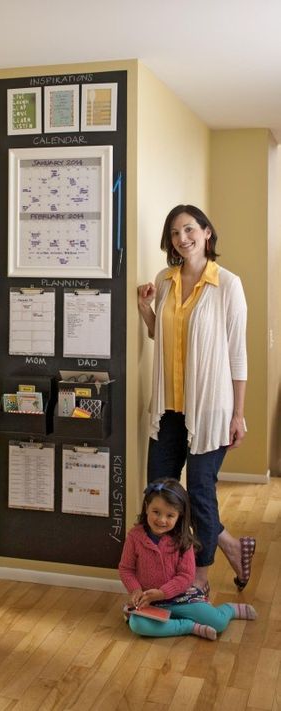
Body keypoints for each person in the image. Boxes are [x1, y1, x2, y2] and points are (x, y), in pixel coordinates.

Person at [137, 205, 255, 594]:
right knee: (161, 489)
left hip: (211, 409)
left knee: (201, 491)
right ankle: (224, 546)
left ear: (206, 232)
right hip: (169, 408)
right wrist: (146, 312)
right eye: (174, 233)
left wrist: (238, 413)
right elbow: (164, 339)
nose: (181, 238)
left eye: (189, 229)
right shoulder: (164, 280)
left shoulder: (228, 285)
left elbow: (237, 353)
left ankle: (200, 578)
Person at [119, 479, 257, 640]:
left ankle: (230, 609)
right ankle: (189, 626)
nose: (162, 520)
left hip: (181, 597)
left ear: (179, 516)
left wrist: (163, 593)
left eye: (170, 515)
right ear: (146, 507)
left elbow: (186, 576)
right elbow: (126, 569)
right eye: (156, 512)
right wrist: (135, 590)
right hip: (148, 601)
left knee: (218, 623)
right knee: (138, 625)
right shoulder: (135, 536)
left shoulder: (183, 540)